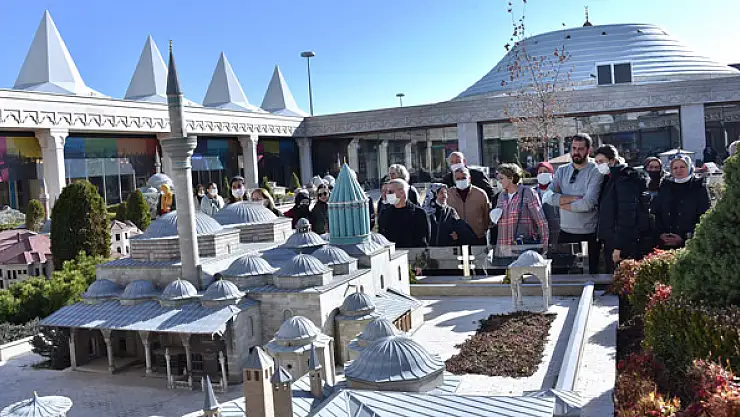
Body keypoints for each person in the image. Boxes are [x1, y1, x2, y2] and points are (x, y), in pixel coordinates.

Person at [546, 133, 603, 273]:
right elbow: (548, 197)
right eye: (574, 148)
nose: (576, 152)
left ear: (589, 150)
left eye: (581, 149)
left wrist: (560, 202)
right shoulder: (562, 170)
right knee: (563, 278)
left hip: (588, 235)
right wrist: (574, 198)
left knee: (589, 277)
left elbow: (588, 204)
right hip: (565, 233)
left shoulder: (596, 170)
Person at [593, 145, 646, 273]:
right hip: (611, 240)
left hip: (621, 243)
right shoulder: (610, 178)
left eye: (601, 161)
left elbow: (626, 214)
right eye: (596, 162)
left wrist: (619, 247)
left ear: (612, 160)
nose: (598, 165)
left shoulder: (624, 179)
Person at [651, 154, 711, 249]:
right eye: (675, 168)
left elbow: (704, 215)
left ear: (689, 167)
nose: (678, 170)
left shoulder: (698, 186)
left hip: (691, 243)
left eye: (682, 167)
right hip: (665, 241)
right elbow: (656, 212)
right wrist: (661, 234)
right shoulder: (665, 186)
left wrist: (685, 237)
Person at [493, 164, 549, 257]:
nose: (499, 181)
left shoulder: (527, 193)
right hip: (503, 251)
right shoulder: (501, 196)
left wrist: (544, 245)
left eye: (501, 178)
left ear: (511, 178)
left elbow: (541, 221)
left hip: (523, 250)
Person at [378, 179, 430, 247]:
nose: (387, 194)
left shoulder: (419, 213)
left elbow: (424, 239)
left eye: (390, 192)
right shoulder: (384, 213)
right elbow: (381, 238)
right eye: (386, 192)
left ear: (402, 192)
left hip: (412, 252)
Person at [447, 167, 491, 245]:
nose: (461, 181)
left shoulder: (480, 194)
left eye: (463, 178)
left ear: (469, 178)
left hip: (478, 237)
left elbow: (487, 215)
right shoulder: (449, 194)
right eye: (458, 179)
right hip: (456, 238)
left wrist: (482, 230)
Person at [533, 162, 560, 246]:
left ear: (551, 173)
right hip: (540, 231)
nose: (542, 174)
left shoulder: (558, 189)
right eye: (540, 172)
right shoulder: (532, 192)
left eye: (545, 171)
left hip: (558, 230)